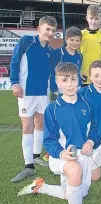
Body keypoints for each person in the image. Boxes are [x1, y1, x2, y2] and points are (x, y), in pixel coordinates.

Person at [18, 63, 101, 204]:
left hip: (85, 154)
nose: (70, 84)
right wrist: (60, 153)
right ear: (57, 82)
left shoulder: (88, 104)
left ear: (79, 81)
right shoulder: (52, 108)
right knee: (75, 172)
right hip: (63, 156)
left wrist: (91, 141)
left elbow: (96, 128)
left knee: (78, 193)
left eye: (73, 79)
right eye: (64, 80)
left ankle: (41, 187)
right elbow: (48, 140)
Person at [10, 16, 57, 182]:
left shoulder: (50, 51)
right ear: (39, 29)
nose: (50, 33)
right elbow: (14, 61)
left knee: (40, 124)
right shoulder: (26, 41)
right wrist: (15, 83)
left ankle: (36, 156)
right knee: (27, 127)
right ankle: (28, 166)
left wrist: (55, 90)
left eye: (53, 30)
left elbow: (52, 74)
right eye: (47, 29)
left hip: (44, 93)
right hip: (26, 93)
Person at [80, 4, 101, 86]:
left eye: (96, 19)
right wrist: (78, 71)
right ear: (86, 18)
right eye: (91, 18)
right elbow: (74, 55)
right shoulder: (80, 34)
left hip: (100, 78)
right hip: (84, 76)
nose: (93, 21)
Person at [50, 26, 83, 94]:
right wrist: (54, 89)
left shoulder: (80, 56)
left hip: (76, 88)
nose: (74, 43)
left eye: (77, 41)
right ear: (66, 39)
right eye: (72, 40)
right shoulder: (57, 53)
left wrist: (79, 85)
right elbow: (51, 72)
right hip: (61, 89)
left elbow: (78, 72)